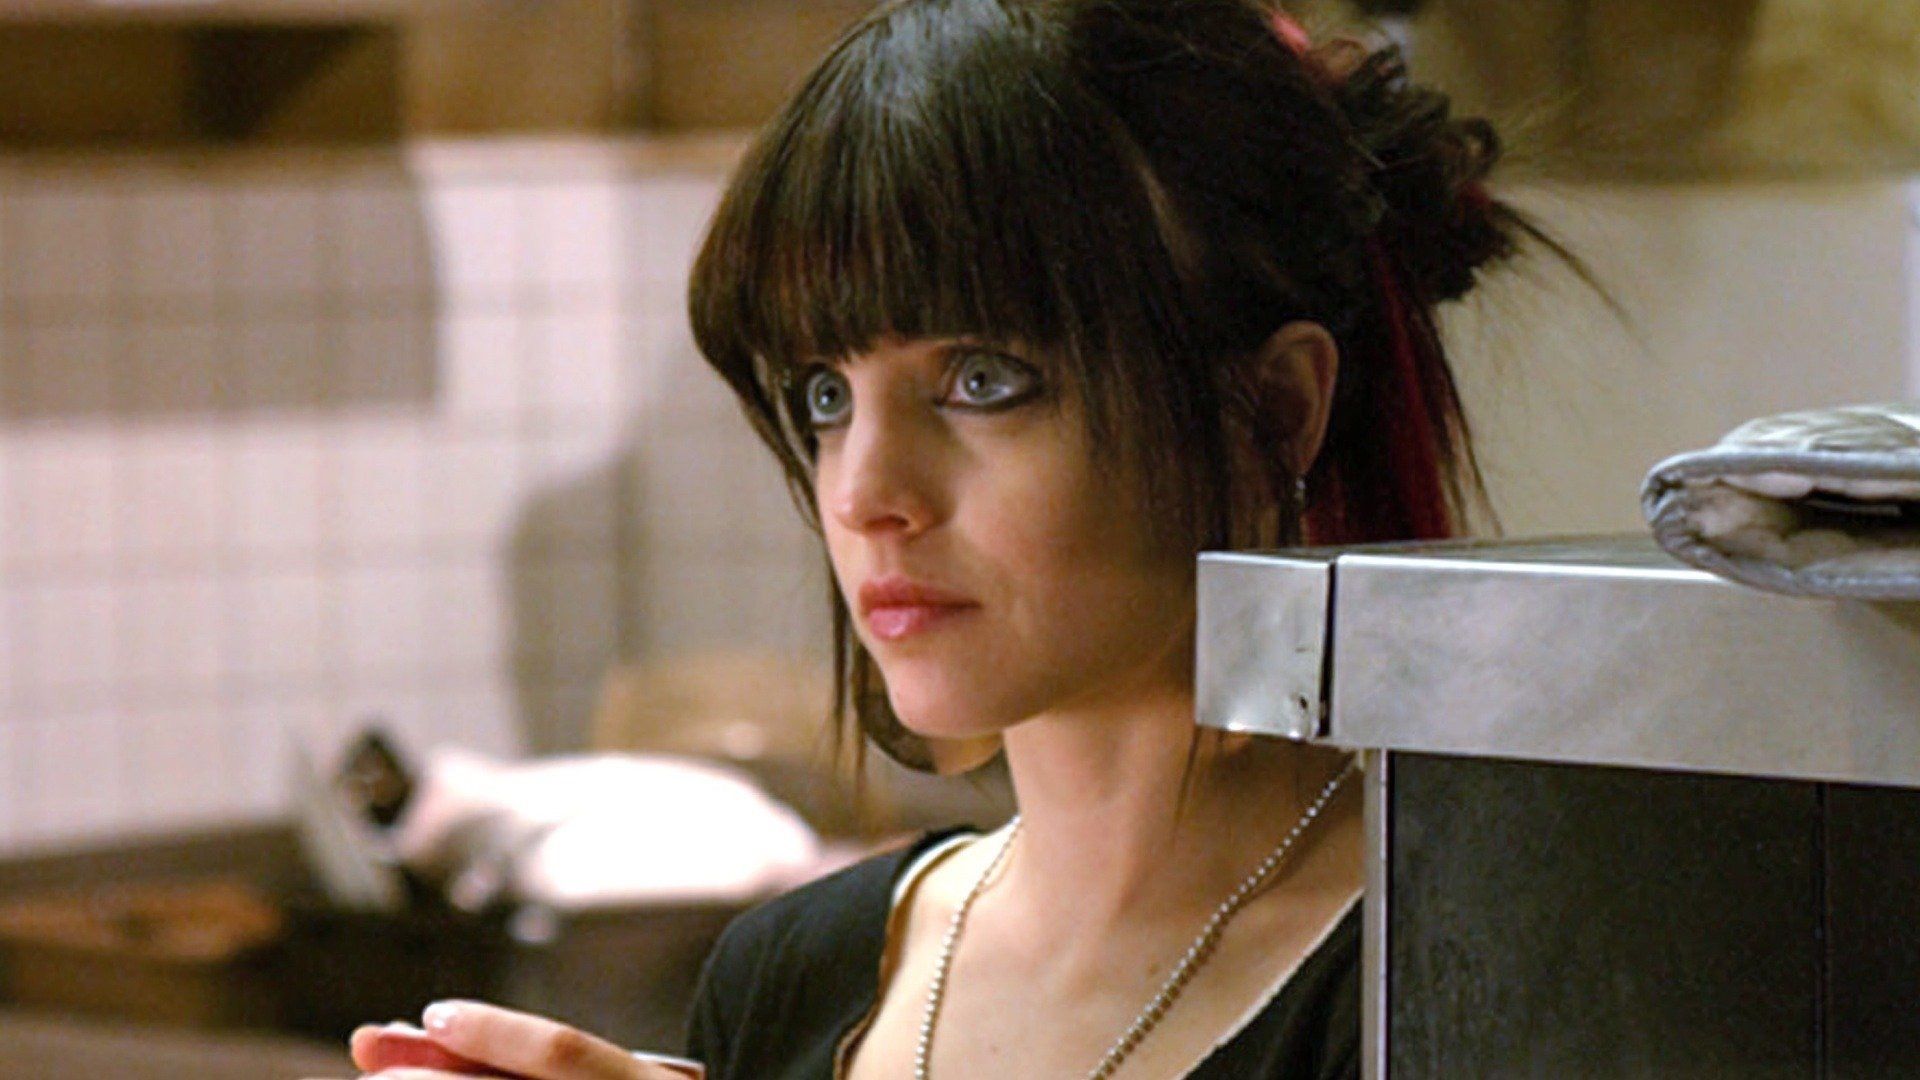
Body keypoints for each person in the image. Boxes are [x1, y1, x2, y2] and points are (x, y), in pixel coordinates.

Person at [348, 1, 1556, 1077]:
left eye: (983, 379)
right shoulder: (794, 975)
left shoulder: (1463, 986)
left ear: (1275, 410)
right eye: (825, 395)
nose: (865, 492)